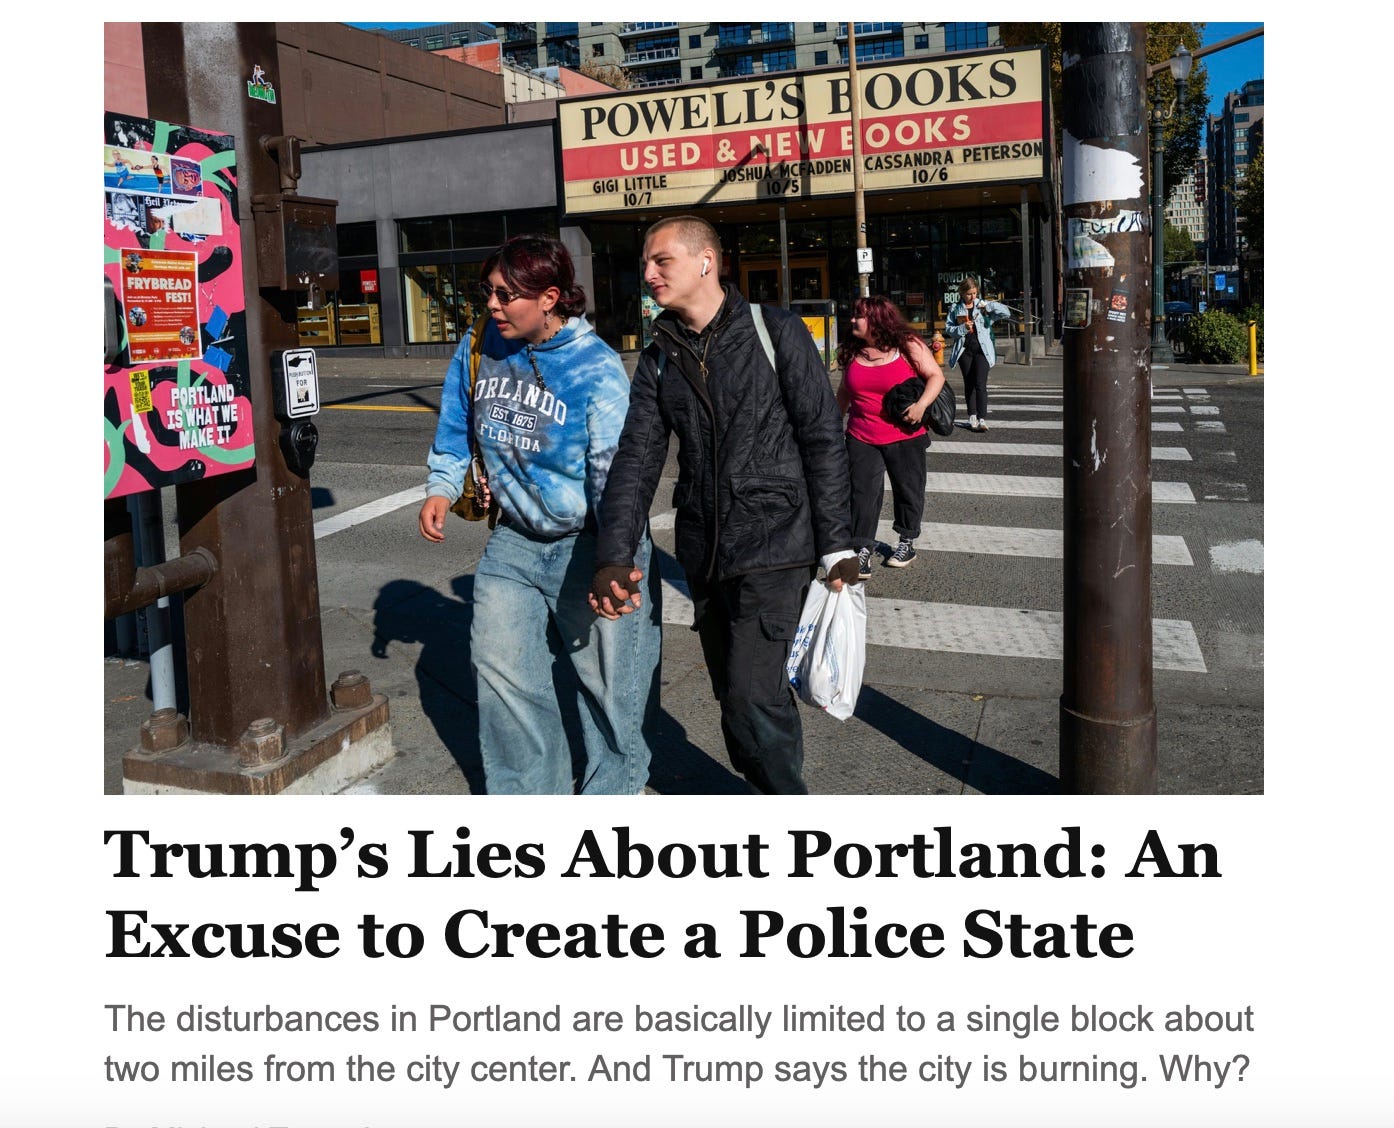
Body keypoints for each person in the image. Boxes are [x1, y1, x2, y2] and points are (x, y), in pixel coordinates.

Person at [590, 215, 861, 795]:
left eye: (661, 261)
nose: (648, 273)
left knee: (751, 694)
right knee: (732, 696)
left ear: (705, 262)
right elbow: (637, 458)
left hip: (777, 540)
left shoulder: (776, 331)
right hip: (705, 548)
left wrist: (838, 541)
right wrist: (613, 553)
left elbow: (823, 437)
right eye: (646, 262)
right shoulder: (661, 354)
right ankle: (769, 786)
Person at [418, 234, 660, 795]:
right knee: (505, 678)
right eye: (489, 293)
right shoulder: (480, 344)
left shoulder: (594, 368)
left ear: (550, 297)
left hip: (590, 542)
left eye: (507, 295)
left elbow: (613, 476)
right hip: (514, 540)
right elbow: (456, 426)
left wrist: (614, 562)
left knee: (610, 690)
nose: (493, 306)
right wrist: (441, 485)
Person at [835, 295, 946, 576]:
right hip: (861, 435)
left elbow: (936, 376)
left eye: (858, 315)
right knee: (861, 493)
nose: (852, 320)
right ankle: (861, 549)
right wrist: (833, 424)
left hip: (904, 434)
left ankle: (906, 542)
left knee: (908, 489)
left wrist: (921, 407)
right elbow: (845, 393)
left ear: (875, 320)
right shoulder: (852, 351)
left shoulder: (906, 345)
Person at [943, 276, 1011, 433]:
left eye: (974, 293)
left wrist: (989, 305)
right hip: (964, 351)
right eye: (969, 294)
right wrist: (963, 328)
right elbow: (949, 330)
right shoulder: (955, 308)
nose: (972, 296)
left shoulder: (982, 307)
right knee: (970, 384)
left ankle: (982, 418)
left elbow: (1005, 313)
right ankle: (972, 416)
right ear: (962, 293)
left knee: (981, 383)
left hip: (982, 350)